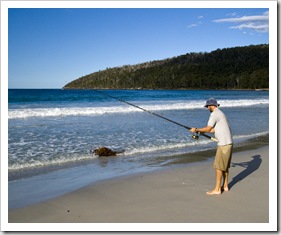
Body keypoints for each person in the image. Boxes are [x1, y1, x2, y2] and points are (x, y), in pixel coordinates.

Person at [190, 98, 233, 195]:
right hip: (229, 143)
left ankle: (217, 189)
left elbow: (208, 128)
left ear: (211, 106)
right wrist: (198, 131)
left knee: (218, 167)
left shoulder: (214, 114)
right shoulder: (221, 113)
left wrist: (195, 129)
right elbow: (213, 130)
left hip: (223, 144)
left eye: (207, 106)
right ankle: (225, 186)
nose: (207, 108)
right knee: (225, 167)